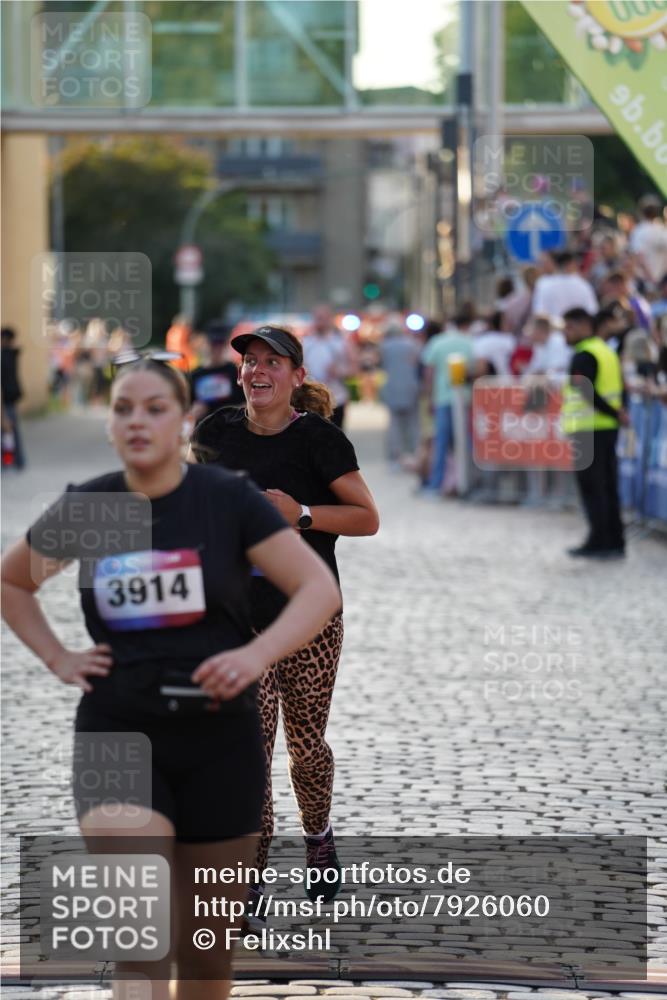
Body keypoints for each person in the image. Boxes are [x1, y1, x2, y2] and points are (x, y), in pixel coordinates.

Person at [0, 352, 340, 1000]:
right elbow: (13, 580)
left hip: (222, 739)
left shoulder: (225, 500)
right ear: (108, 425)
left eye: (154, 408)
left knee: (206, 958)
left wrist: (255, 655)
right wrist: (58, 657)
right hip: (118, 731)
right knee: (142, 942)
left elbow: (316, 590)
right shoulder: (93, 506)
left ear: (182, 420)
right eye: (122, 409)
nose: (137, 422)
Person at [192, 325, 378, 918]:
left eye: (274, 361)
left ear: (297, 377)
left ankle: (319, 838)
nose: (258, 370)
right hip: (237, 619)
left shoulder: (320, 441)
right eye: (250, 360)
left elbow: (366, 518)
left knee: (305, 747)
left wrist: (298, 515)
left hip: (308, 615)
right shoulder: (214, 432)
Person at [561, 308, 627, 559]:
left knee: (592, 488)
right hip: (606, 429)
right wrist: (618, 413)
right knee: (608, 485)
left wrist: (612, 412)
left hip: (588, 429)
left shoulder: (584, 354)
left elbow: (585, 391)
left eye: (569, 328)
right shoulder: (606, 351)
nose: (566, 334)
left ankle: (599, 540)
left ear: (582, 326)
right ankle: (615, 539)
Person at [420, 308, 474, 493]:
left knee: (441, 442)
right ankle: (467, 481)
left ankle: (437, 484)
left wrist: (429, 398)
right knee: (465, 442)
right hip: (464, 398)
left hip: (442, 397)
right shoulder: (469, 342)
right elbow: (476, 369)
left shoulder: (437, 342)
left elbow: (429, 372)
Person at [302, 305, 356, 428]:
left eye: (323, 318)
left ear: (330, 319)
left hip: (336, 399)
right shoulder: (306, 343)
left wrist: (340, 372)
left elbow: (355, 369)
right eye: (317, 318)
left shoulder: (341, 341)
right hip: (311, 400)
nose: (320, 321)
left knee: (335, 441)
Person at [378, 319, 421, 466]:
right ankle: (415, 454)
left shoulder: (384, 346)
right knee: (413, 423)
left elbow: (381, 364)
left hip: (392, 387)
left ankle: (395, 456)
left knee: (394, 424)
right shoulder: (412, 344)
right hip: (411, 387)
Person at [190, 320, 245, 424]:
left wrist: (233, 412)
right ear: (205, 343)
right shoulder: (195, 375)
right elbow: (186, 412)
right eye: (213, 343)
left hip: (231, 430)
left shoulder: (234, 371)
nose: (217, 348)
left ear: (226, 343)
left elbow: (246, 405)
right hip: (203, 432)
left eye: (221, 343)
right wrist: (193, 413)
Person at [532, 250, 599, 319]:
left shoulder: (543, 284)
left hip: (553, 328)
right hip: (576, 327)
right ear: (573, 264)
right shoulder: (584, 285)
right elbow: (592, 312)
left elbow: (539, 313)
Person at [0, 327, 25, 468]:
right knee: (12, 431)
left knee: (9, 430)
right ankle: (15, 461)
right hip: (10, 398)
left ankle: (11, 461)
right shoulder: (12, 354)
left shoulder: (4, 356)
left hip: (6, 399)